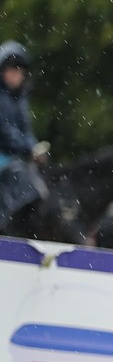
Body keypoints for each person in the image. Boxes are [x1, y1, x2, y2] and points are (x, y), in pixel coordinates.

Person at [0, 41, 48, 231]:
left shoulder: (20, 98)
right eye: (12, 69)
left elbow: (24, 131)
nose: (16, 75)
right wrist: (30, 149)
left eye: (19, 70)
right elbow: (5, 130)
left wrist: (35, 148)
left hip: (13, 157)